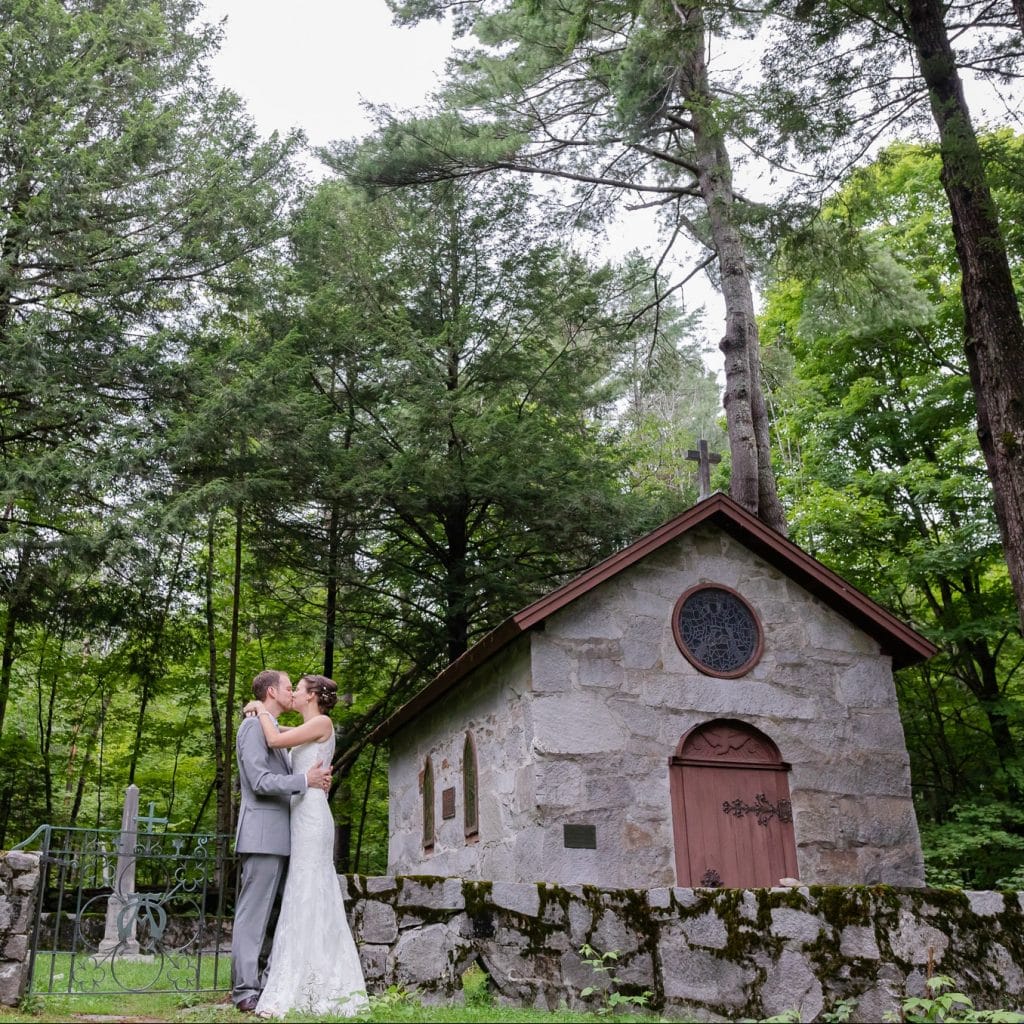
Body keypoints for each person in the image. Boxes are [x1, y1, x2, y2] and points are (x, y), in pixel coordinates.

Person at [242, 674, 368, 1019]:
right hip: (298, 815)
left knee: (312, 891)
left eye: (298, 689)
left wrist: (259, 709)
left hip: (311, 817)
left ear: (312, 696)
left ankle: (317, 981)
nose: (294, 693)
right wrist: (259, 708)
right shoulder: (305, 730)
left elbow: (272, 737)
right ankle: (300, 975)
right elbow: (280, 737)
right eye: (290, 688)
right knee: (301, 892)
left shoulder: (322, 722)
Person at [232, 669, 333, 1014]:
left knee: (279, 916)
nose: (292, 693)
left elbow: (287, 744)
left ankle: (267, 981)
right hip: (261, 837)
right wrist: (305, 779)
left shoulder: (270, 727)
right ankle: (244, 990)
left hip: (288, 837)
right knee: (253, 915)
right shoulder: (251, 728)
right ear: (273, 691)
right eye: (289, 688)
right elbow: (260, 781)